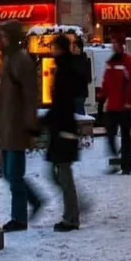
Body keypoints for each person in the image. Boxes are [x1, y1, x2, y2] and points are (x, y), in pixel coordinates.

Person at [0, 21, 45, 232]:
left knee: (14, 175)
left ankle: (19, 218)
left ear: (12, 37)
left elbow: (30, 96)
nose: (1, 40)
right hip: (7, 126)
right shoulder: (8, 60)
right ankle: (34, 200)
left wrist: (30, 124)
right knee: (8, 174)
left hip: (16, 127)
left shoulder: (22, 61)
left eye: (4, 36)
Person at [44, 34, 83, 231]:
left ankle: (72, 217)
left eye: (55, 47)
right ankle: (75, 207)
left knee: (63, 174)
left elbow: (62, 104)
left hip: (64, 130)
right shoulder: (64, 69)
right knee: (57, 173)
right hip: (61, 128)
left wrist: (47, 120)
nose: (52, 51)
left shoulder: (65, 71)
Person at [100, 34, 131, 175]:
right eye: (112, 43)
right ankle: (116, 160)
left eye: (115, 43)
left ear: (121, 45)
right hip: (112, 104)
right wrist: (102, 96)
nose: (113, 45)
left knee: (125, 137)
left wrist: (128, 102)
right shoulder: (111, 62)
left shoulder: (127, 61)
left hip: (123, 104)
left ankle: (126, 166)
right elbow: (106, 82)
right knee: (110, 134)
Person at [71, 34, 91, 119]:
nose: (73, 49)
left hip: (79, 93)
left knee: (79, 114)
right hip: (75, 93)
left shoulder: (82, 60)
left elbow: (86, 77)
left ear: (79, 48)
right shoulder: (75, 59)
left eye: (74, 47)